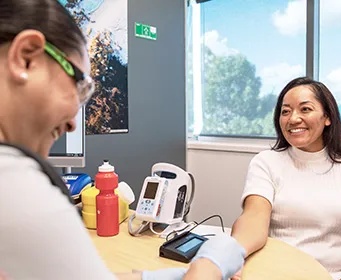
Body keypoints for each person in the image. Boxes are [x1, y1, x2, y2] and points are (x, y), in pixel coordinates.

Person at [0, 0, 245, 279]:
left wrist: (172, 275)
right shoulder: (19, 188)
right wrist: (209, 266)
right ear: (26, 57)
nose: (72, 123)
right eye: (79, 86)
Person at [231, 77, 341, 280]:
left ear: (327, 117)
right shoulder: (266, 162)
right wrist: (233, 256)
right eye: (285, 111)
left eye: (305, 109)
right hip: (270, 273)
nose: (293, 118)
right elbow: (253, 218)